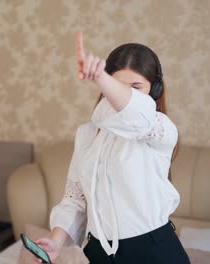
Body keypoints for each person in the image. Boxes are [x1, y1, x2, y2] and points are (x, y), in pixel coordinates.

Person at [33, 32, 190, 263]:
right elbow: (75, 200)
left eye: (137, 87)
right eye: (118, 84)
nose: (127, 93)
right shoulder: (87, 134)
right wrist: (55, 242)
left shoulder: (161, 130)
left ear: (154, 90)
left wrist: (101, 77)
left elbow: (137, 115)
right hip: (99, 253)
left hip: (154, 252)